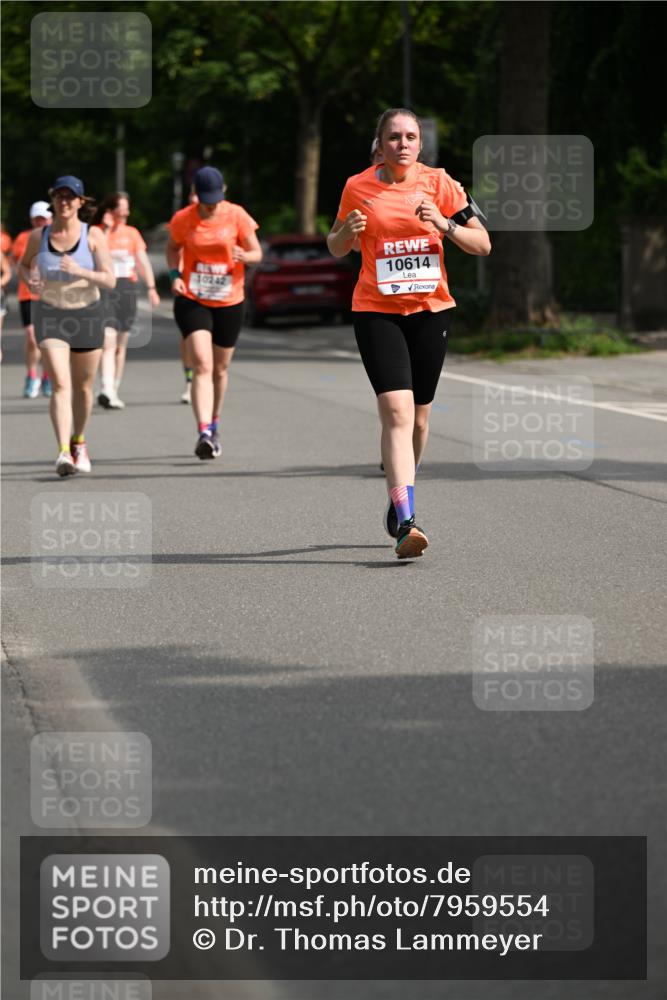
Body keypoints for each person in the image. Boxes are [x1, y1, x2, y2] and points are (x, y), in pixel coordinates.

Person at [327, 108, 491, 559]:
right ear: (379, 145)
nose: (402, 143)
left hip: (429, 310)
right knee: (396, 412)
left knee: (419, 419)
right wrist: (347, 232)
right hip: (376, 310)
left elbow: (483, 243)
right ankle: (408, 521)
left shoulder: (441, 184)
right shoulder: (357, 186)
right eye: (394, 136)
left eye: (410, 136)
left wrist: (444, 224)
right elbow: (336, 243)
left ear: (420, 144)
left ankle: (399, 491)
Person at [19, 175, 115, 476]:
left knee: (84, 388)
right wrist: (30, 278)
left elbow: (110, 279)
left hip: (86, 314)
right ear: (53, 200)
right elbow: (23, 265)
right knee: (61, 384)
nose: (64, 202)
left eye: (70, 197)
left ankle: (79, 441)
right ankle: (62, 453)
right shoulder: (40, 236)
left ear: (80, 202)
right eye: (59, 197)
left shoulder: (93, 235)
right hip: (50, 314)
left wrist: (80, 271)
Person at [166, 166, 262, 458]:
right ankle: (204, 431)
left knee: (220, 369)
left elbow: (257, 253)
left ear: (224, 193)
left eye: (215, 200)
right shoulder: (183, 218)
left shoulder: (236, 215)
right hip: (193, 299)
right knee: (203, 365)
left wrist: (245, 256)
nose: (210, 206)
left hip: (229, 300)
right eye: (205, 201)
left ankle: (215, 422)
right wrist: (175, 275)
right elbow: (173, 248)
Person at [92, 192, 160, 409]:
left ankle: (114, 389)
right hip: (105, 289)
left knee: (121, 345)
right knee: (107, 340)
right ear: (110, 210)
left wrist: (151, 287)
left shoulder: (132, 233)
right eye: (121, 208)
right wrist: (103, 227)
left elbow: (142, 261)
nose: (126, 212)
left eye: (127, 208)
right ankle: (106, 388)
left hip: (126, 288)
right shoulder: (97, 232)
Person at [12, 201, 53, 398]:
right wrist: (30, 278)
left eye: (43, 219)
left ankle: (47, 377)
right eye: (37, 219)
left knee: (46, 340)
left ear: (50, 219)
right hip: (27, 294)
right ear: (32, 219)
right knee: (32, 337)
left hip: (49, 295)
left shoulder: (56, 237)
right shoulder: (23, 238)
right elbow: (18, 264)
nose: (40, 222)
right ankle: (31, 376)